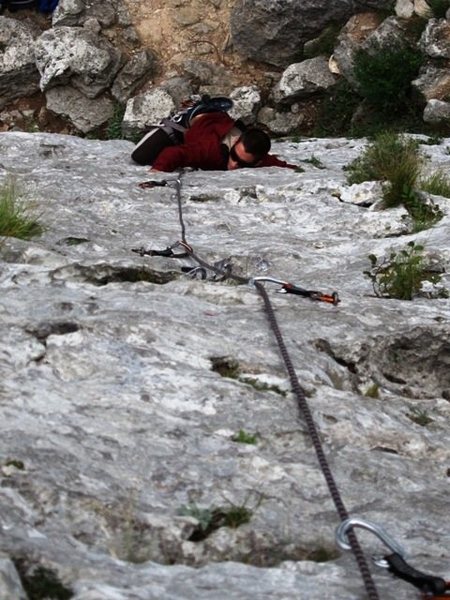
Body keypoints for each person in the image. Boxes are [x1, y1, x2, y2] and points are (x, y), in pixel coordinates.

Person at [131, 97, 297, 172]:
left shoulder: (255, 155)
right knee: (139, 156)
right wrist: (155, 174)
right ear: (235, 144)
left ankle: (206, 108)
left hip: (217, 124)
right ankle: (193, 110)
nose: (233, 165)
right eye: (234, 156)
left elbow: (274, 162)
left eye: (242, 164)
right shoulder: (211, 150)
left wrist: (292, 169)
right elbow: (174, 153)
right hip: (188, 125)